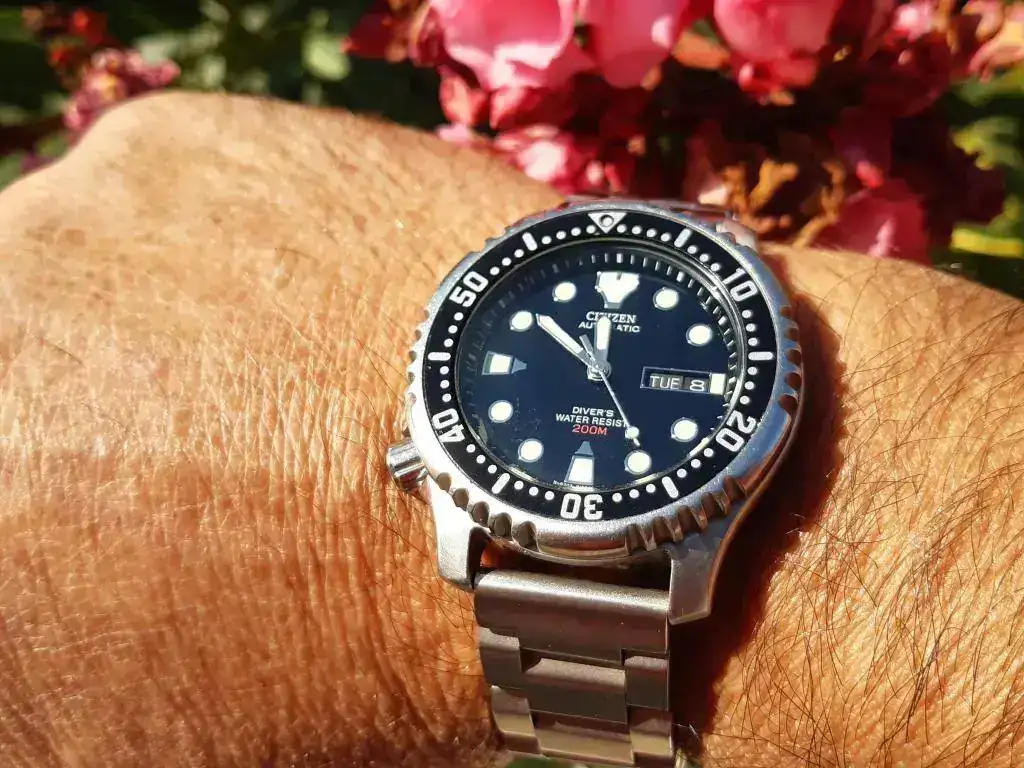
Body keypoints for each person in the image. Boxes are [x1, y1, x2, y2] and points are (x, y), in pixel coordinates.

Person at [0, 92, 1022, 767]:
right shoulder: (479, 379)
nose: (595, 369)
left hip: (669, 524)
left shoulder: (718, 459)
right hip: (501, 502)